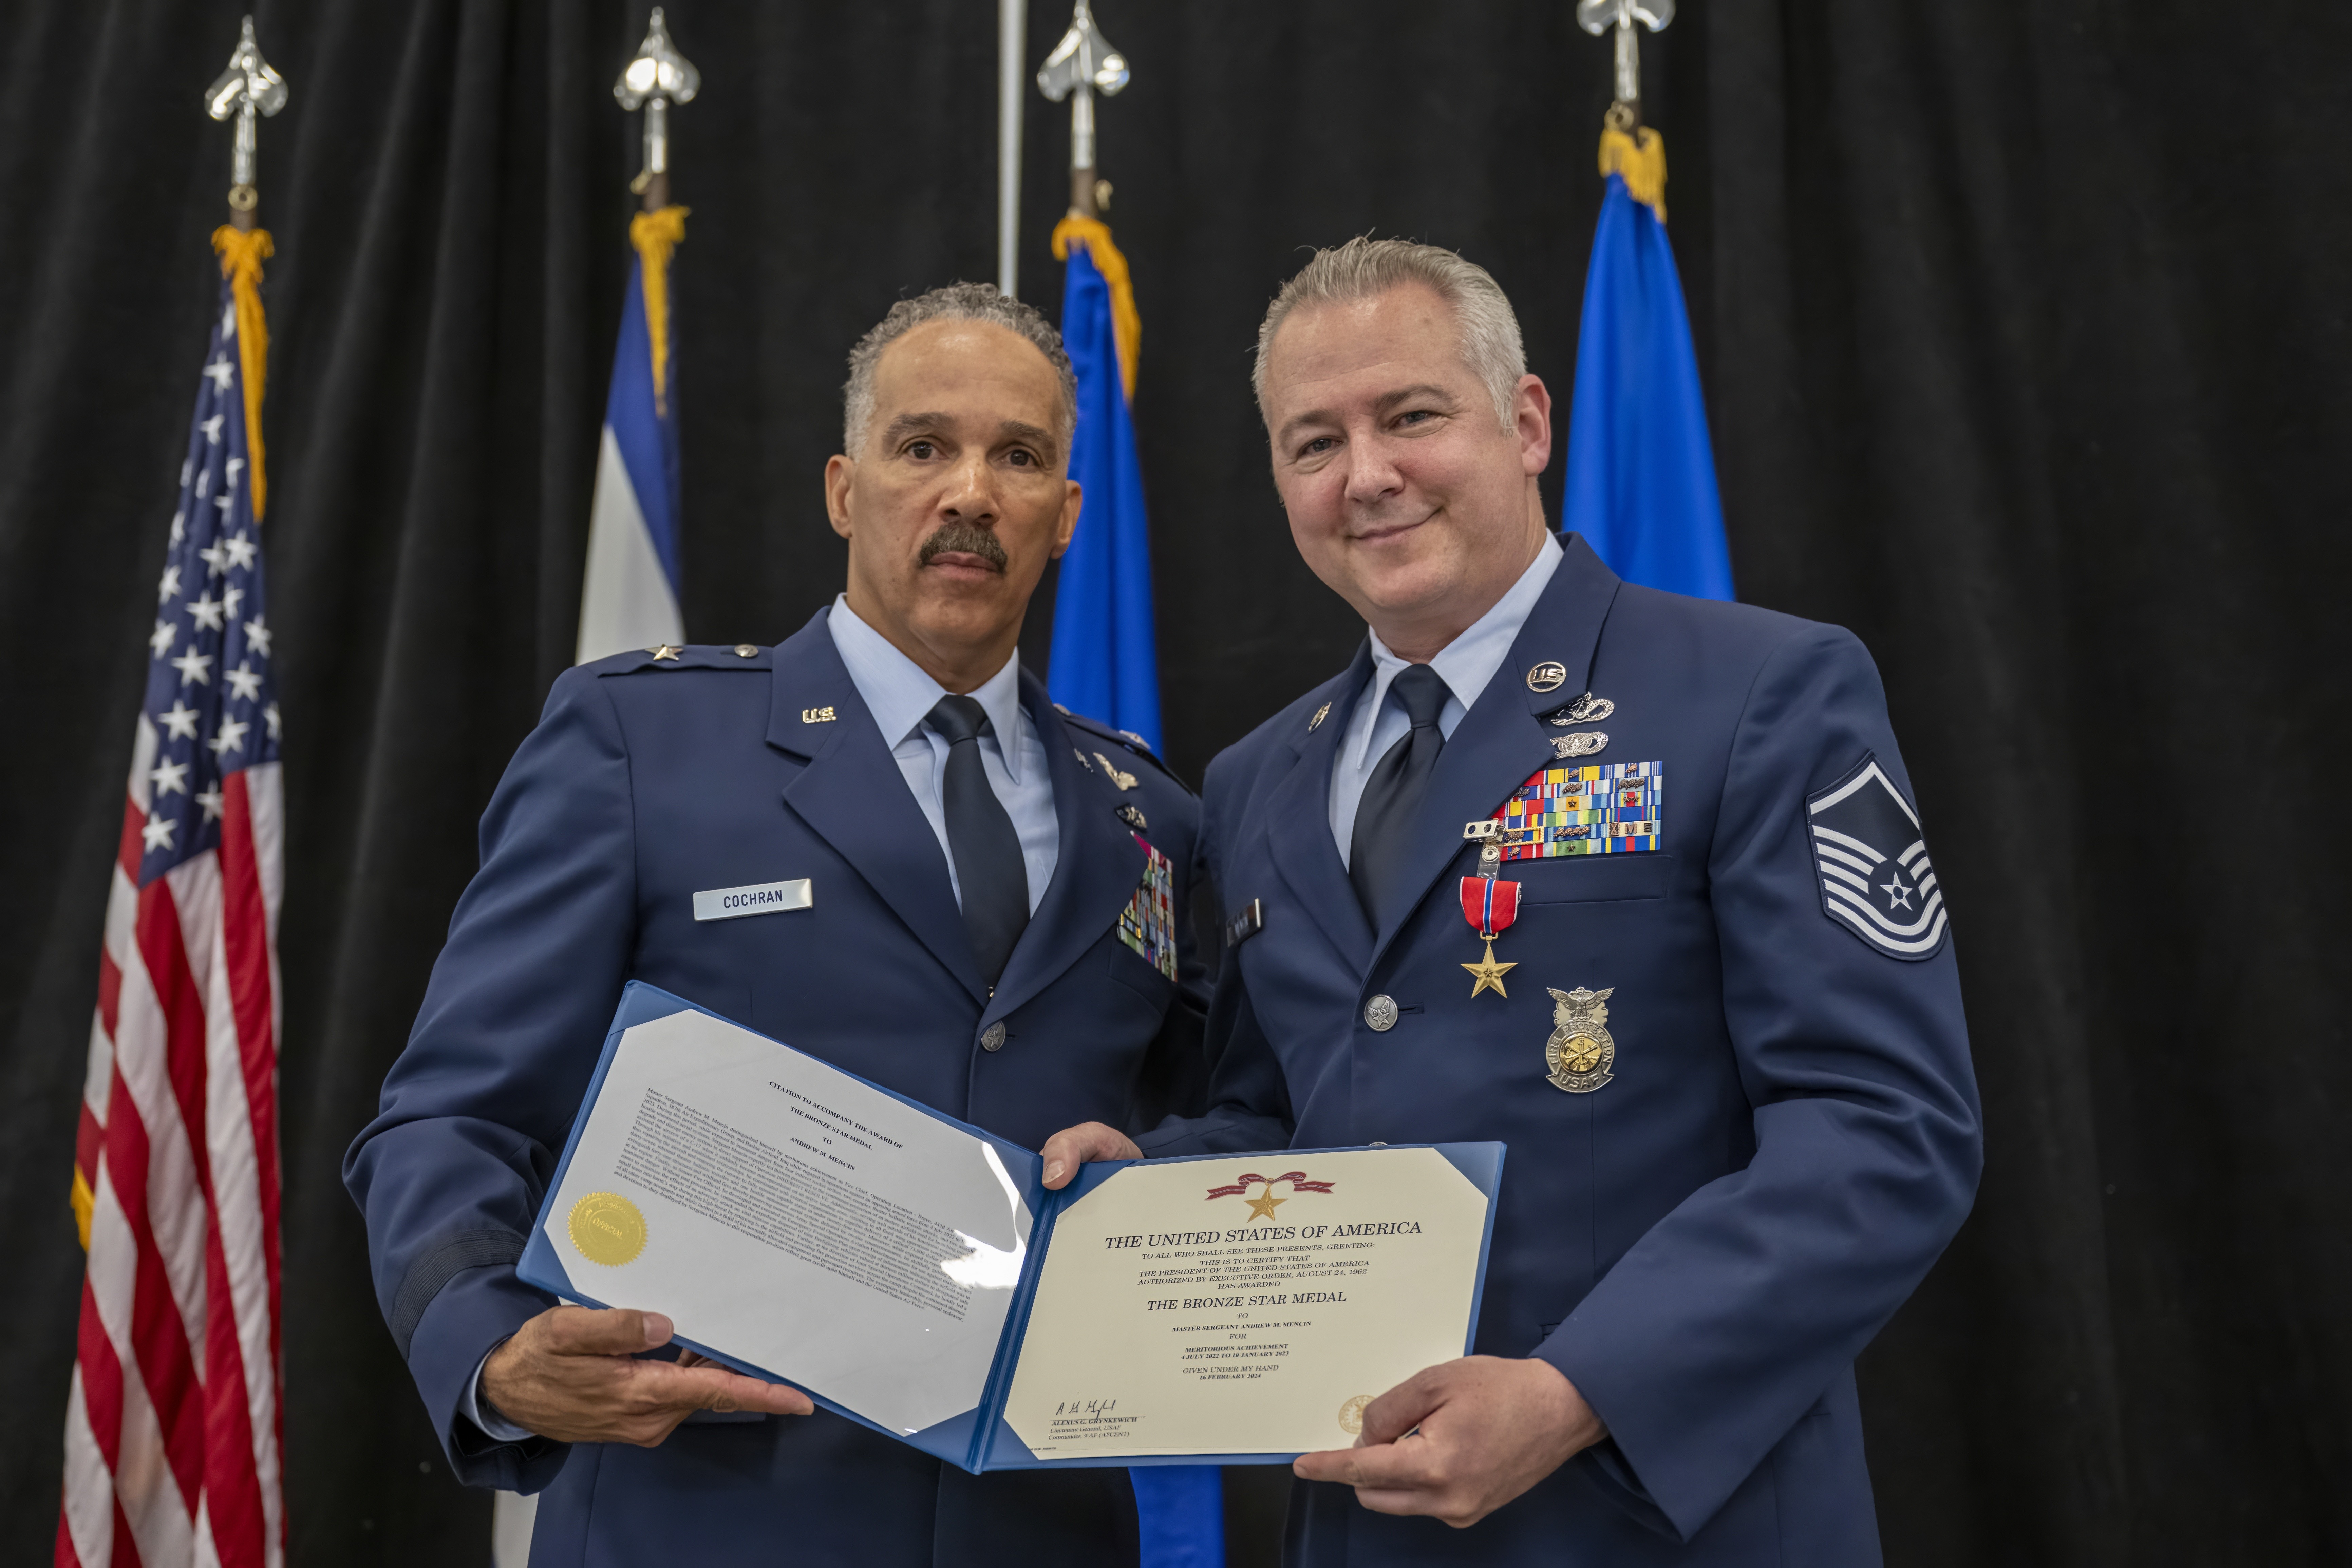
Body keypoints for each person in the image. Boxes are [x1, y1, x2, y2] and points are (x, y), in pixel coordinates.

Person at [1041, 238, 1981, 1565]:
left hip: (1664, 1525)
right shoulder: (1255, 779)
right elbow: (1285, 1110)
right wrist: (1156, 1188)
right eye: (1314, 442)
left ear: (1526, 423)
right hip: (1366, 1528)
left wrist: (1577, 1391)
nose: (1366, 474)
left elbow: (1883, 1129)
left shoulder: (1755, 694)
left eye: (1409, 415)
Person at [346, 283, 1207, 1566]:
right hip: (702, 1517)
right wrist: (489, 1341)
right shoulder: (644, 742)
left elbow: (1222, 1118)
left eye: (1019, 457)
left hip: (1038, 1529)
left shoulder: (1150, 816)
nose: (971, 492)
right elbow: (450, 1113)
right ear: (843, 491)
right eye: (923, 447)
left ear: (1067, 514)